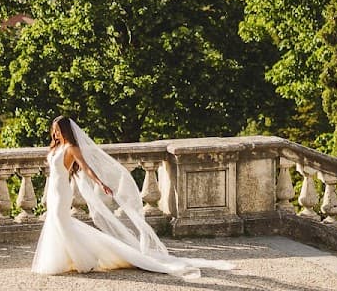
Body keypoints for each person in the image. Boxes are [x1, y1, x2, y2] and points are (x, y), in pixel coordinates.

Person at [31, 116, 235, 279]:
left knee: (61, 222)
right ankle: (65, 259)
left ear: (66, 130)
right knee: (57, 223)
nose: (55, 132)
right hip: (53, 191)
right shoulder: (56, 147)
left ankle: (85, 260)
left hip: (62, 191)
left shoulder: (70, 148)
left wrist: (101, 183)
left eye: (58, 129)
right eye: (54, 129)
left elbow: (86, 167)